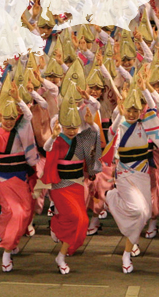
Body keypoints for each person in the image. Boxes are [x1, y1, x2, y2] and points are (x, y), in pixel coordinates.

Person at [100, 83, 159, 274]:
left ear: (140, 110)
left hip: (143, 173)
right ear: (124, 109)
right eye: (128, 110)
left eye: (135, 110)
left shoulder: (146, 125)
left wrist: (145, 87)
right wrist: (122, 108)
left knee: (146, 214)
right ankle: (112, 199)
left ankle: (128, 249)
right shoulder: (120, 125)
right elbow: (112, 136)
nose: (132, 114)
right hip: (124, 174)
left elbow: (156, 105)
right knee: (138, 210)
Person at [0, 79, 37, 273]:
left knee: (25, 213)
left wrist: (19, 100)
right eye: (6, 118)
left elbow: (27, 116)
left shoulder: (21, 129)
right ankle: (7, 252)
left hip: (21, 180)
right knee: (16, 213)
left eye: (12, 118)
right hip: (4, 181)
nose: (9, 122)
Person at [41, 89, 101, 275]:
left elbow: (96, 139)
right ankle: (61, 255)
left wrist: (92, 124)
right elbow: (46, 148)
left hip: (76, 184)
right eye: (69, 127)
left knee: (80, 222)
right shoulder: (57, 139)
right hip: (60, 185)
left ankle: (60, 243)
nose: (72, 130)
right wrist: (53, 135)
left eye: (75, 127)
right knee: (79, 218)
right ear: (62, 125)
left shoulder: (81, 140)